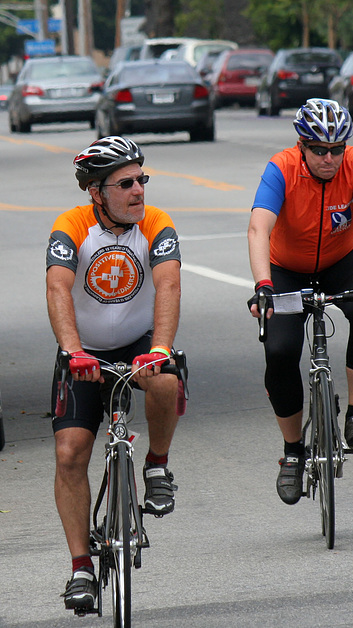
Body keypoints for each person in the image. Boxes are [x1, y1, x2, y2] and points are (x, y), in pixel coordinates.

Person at [46, 136, 182, 611]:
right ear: (97, 192)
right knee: (70, 453)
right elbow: (59, 288)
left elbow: (167, 283)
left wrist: (160, 348)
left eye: (142, 179)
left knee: (166, 378)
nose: (139, 190)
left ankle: (157, 465)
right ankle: (82, 567)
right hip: (84, 354)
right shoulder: (71, 226)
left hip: (139, 342)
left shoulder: (158, 224)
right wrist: (72, 350)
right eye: (126, 183)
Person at [247, 98, 353, 506]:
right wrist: (263, 285)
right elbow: (259, 228)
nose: (329, 158)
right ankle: (293, 452)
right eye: (319, 150)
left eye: (336, 149)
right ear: (301, 145)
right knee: (280, 349)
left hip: (341, 261)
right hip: (285, 268)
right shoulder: (282, 168)